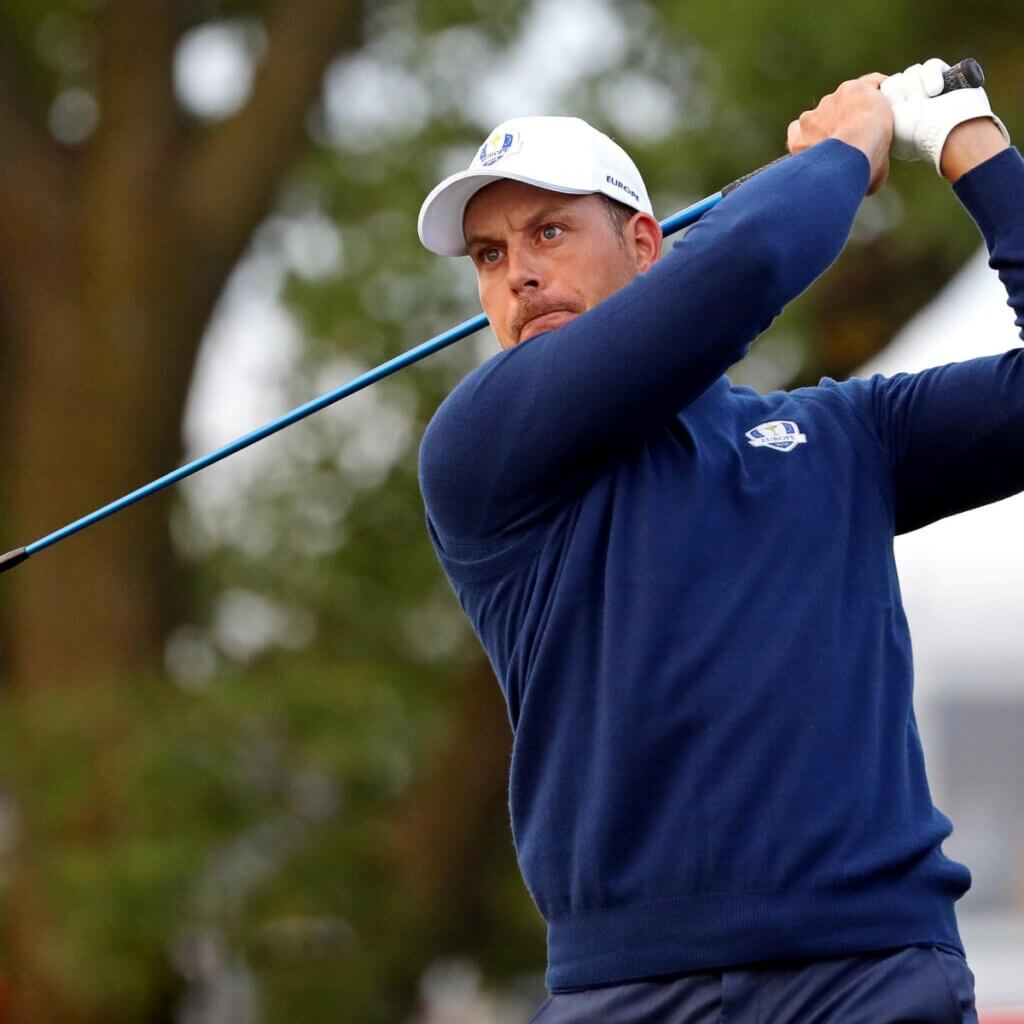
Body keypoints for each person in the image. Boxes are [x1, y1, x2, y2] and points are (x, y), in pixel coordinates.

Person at [415, 58, 1018, 1023]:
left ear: (644, 245)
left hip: (868, 975)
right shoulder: (482, 447)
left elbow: (739, 267)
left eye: (549, 231)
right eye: (489, 255)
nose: (518, 271)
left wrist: (967, 139)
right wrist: (844, 153)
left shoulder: (845, 437)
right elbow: (745, 267)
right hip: (627, 992)